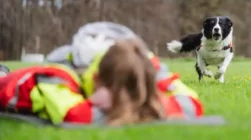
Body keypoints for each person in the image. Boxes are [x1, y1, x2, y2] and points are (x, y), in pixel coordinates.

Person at [0, 38, 203, 126]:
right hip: (8, 85)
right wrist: (146, 104)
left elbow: (192, 104)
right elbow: (75, 115)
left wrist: (151, 71)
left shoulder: (139, 68)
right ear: (97, 81)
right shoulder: (57, 79)